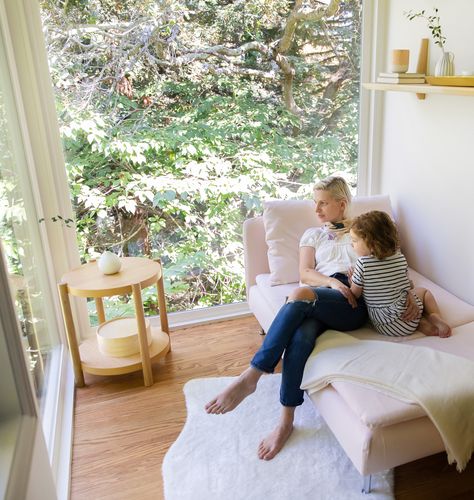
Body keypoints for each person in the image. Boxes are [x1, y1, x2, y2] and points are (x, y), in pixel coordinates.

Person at [205, 176, 420, 461]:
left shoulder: (366, 229)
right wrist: (332, 284)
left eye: (322, 203)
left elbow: (392, 267)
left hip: (353, 303)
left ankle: (252, 375)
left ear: (341, 204)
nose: (316, 209)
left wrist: (408, 296)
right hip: (323, 292)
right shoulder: (312, 235)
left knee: (300, 295)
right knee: (302, 334)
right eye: (315, 202)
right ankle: (285, 422)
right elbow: (305, 272)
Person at [349, 210, 451, 338]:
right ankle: (435, 317)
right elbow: (407, 286)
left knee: (399, 303)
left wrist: (352, 279)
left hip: (384, 324)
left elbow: (355, 294)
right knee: (424, 292)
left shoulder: (362, 263)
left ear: (372, 244)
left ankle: (423, 325)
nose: (351, 244)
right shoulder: (400, 258)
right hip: (410, 314)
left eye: (354, 240)